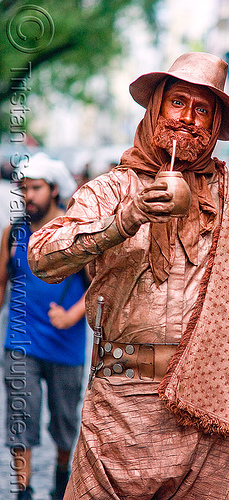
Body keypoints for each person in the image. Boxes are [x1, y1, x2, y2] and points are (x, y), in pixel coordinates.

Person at [28, 53, 229, 500]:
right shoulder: (111, 189)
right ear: (155, 109)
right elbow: (44, 258)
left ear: (216, 125)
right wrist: (127, 218)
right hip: (119, 407)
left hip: (208, 406)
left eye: (202, 110)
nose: (188, 119)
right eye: (177, 103)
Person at [0, 153, 88, 500]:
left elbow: (98, 285)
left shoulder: (75, 232)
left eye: (35, 188)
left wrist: (71, 316)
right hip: (20, 344)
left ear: (53, 189)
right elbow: (1, 285)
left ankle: (61, 479)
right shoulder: (14, 232)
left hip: (65, 344)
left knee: (65, 423)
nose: (28, 196)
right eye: (23, 189)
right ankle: (22, 492)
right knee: (21, 420)